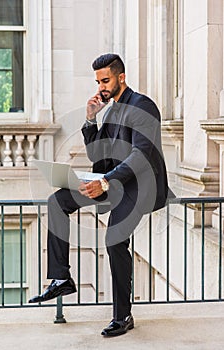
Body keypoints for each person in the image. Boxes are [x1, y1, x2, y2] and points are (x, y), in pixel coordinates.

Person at [29, 53, 171, 336]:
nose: (101, 87)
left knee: (115, 239)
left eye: (105, 80)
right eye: (98, 81)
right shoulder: (113, 109)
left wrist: (105, 182)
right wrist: (91, 120)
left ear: (121, 77)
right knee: (57, 201)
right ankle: (61, 278)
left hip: (138, 187)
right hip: (111, 182)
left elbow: (141, 154)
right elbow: (98, 153)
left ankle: (123, 316)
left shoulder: (143, 106)